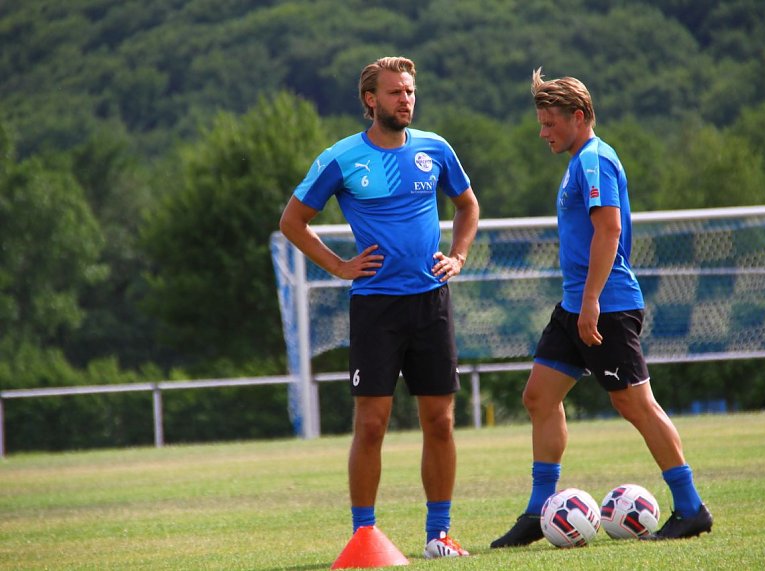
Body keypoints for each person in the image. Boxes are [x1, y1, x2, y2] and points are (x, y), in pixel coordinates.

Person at [490, 68, 713, 547]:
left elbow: (609, 230)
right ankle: (537, 512)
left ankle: (691, 507)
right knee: (539, 397)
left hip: (605, 305)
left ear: (579, 116)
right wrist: (580, 302)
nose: (543, 133)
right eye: (541, 124)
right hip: (575, 305)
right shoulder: (578, 162)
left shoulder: (595, 160)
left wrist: (591, 300)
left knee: (634, 403)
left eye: (550, 124)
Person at [280, 56, 478, 559]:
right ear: (371, 100)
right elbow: (293, 221)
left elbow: (467, 206)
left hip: (431, 302)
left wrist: (457, 256)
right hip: (375, 309)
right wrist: (339, 266)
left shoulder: (435, 149)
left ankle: (439, 535)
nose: (405, 100)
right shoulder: (342, 158)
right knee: (371, 425)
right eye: (395, 92)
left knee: (440, 422)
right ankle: (363, 533)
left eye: (409, 91)